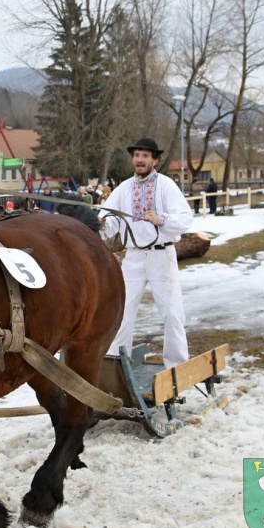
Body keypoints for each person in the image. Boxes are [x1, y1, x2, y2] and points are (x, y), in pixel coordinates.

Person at [101, 138, 193, 368]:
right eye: (136, 155)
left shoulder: (166, 185)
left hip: (161, 257)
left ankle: (177, 367)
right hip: (133, 257)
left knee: (172, 313)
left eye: (145, 156)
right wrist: (102, 223)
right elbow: (109, 220)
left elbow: (185, 219)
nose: (139, 160)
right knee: (121, 312)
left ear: (155, 161)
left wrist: (160, 219)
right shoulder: (124, 188)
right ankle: (116, 365)